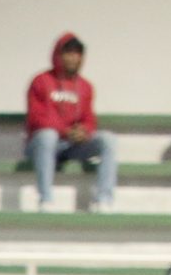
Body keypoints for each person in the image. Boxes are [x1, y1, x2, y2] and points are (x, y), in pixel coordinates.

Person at [26, 34, 118, 211]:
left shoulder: (85, 87)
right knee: (48, 135)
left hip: (71, 145)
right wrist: (65, 131)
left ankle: (103, 200)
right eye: (68, 53)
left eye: (77, 53)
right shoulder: (41, 81)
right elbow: (37, 118)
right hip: (42, 145)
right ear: (58, 55)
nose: (73, 58)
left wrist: (85, 131)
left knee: (108, 140)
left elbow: (89, 118)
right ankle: (46, 199)